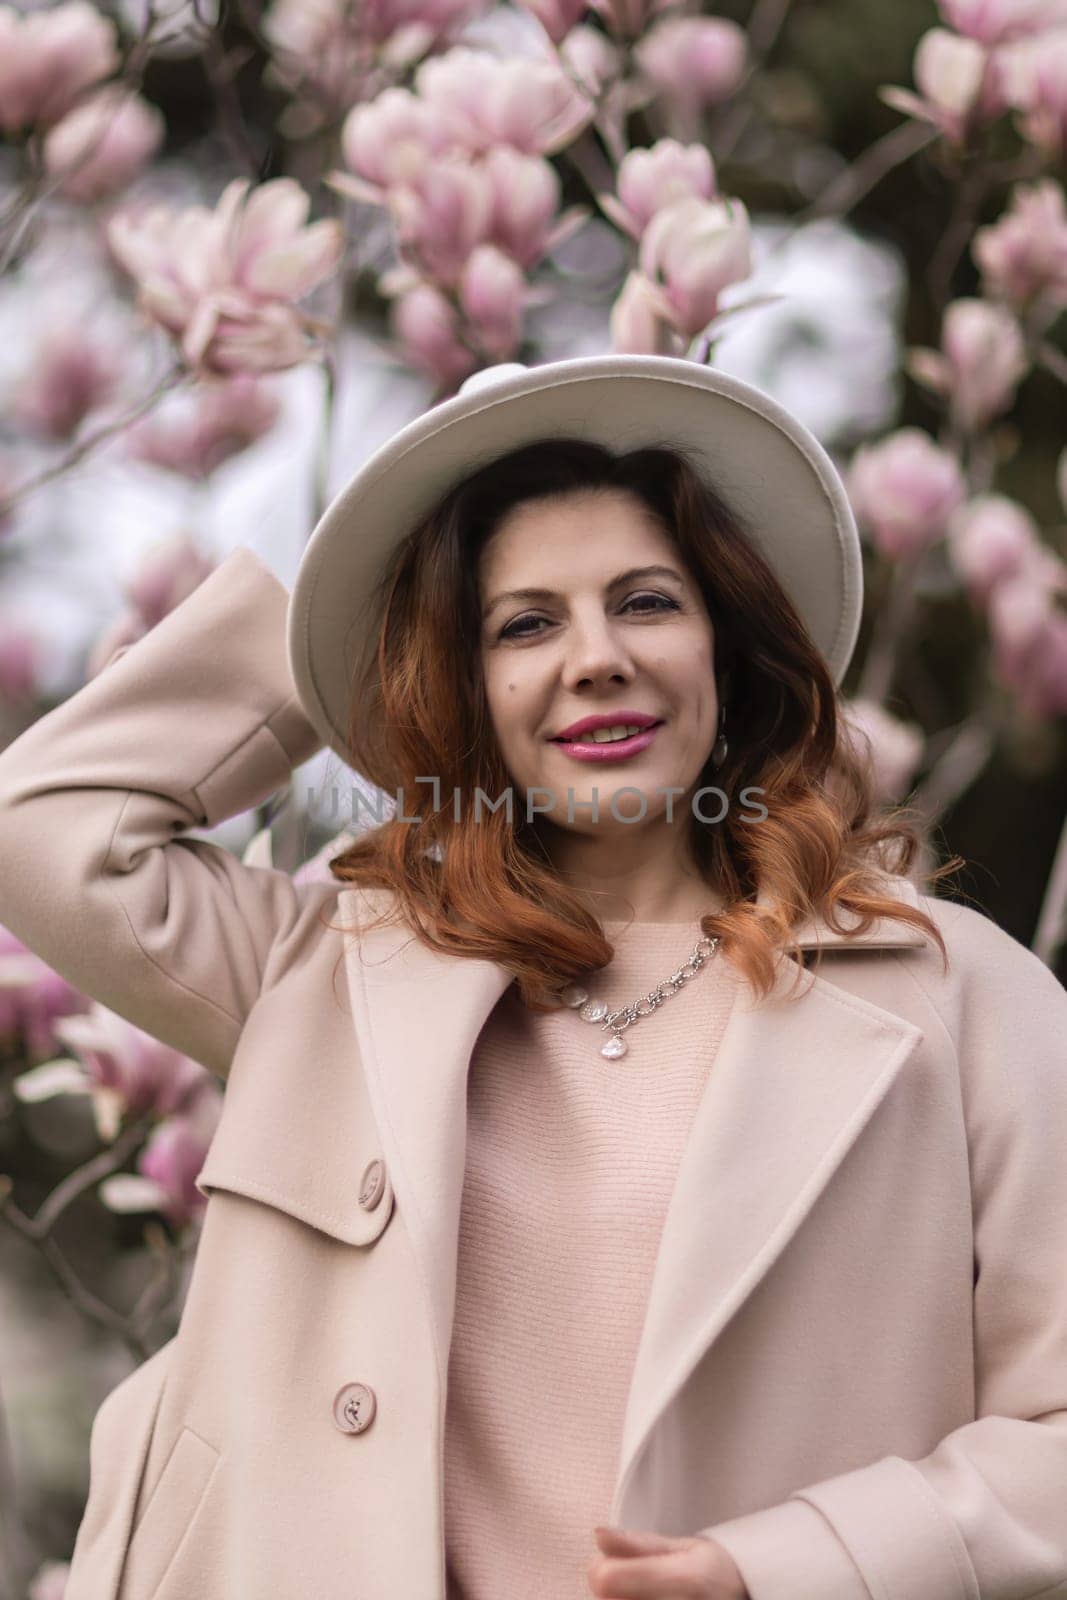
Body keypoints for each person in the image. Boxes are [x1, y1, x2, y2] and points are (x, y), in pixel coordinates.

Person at [0, 354, 1064, 1600]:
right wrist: (357, 619)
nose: (596, 657)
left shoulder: (954, 996)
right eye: (523, 624)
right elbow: (45, 824)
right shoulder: (325, 970)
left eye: (648, 603)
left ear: (728, 647)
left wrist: (778, 1567)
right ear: (463, 681)